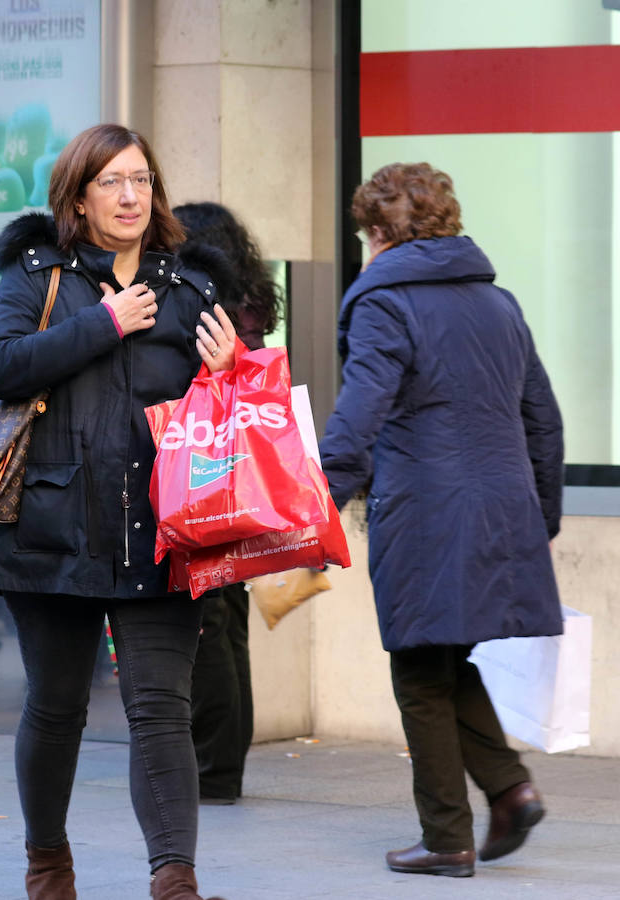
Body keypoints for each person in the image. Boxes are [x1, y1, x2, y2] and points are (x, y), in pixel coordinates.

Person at [0, 124, 234, 900]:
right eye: (112, 182)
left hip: (161, 530)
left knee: (161, 708)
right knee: (56, 709)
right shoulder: (36, 276)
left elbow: (221, 418)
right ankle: (48, 863)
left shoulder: (191, 288)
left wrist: (226, 372)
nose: (130, 197)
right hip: (53, 530)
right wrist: (103, 324)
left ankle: (174, 882)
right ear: (78, 198)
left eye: (143, 181)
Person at [319, 162, 563, 879]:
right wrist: (538, 515)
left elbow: (358, 417)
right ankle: (511, 791)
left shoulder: (383, 305)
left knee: (421, 671)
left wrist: (315, 509)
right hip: (499, 510)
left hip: (425, 513)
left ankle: (447, 838)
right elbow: (542, 419)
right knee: (447, 657)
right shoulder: (500, 305)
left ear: (376, 233)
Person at [172, 202, 282, 803]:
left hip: (206, 477)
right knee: (227, 619)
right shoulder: (250, 305)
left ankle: (214, 769)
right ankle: (224, 761)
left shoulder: (207, 307)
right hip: (237, 478)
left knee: (209, 623)